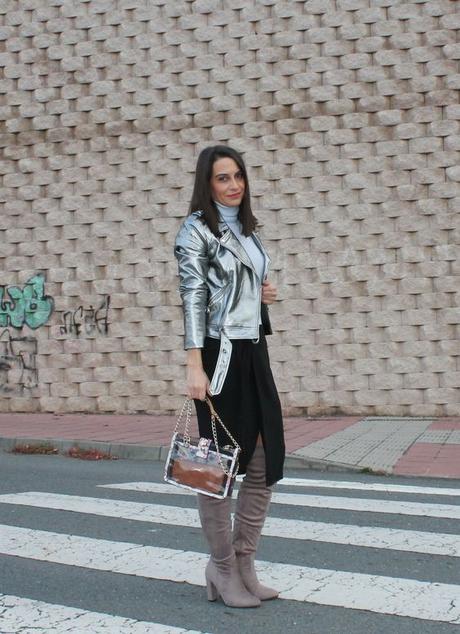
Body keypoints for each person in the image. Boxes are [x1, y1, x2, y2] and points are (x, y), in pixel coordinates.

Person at [174, 145, 285, 608]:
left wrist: (262, 296)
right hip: (218, 357)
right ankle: (221, 568)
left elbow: (238, 289)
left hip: (254, 352)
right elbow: (193, 297)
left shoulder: (249, 228)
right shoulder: (195, 231)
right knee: (215, 468)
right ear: (207, 183)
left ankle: (244, 563)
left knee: (264, 460)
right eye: (223, 177)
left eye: (238, 175)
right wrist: (193, 364)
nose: (234, 185)